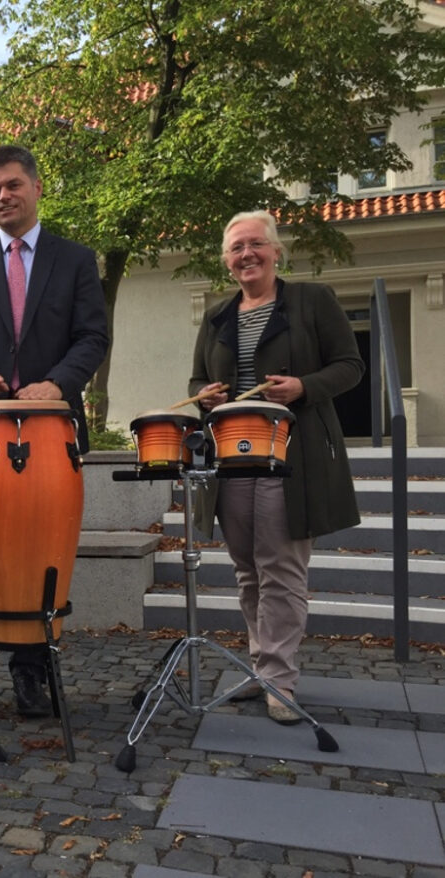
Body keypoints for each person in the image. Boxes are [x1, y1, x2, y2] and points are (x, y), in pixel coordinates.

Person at [0, 145, 110, 721]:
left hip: (50, 431)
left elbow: (92, 337)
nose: (1, 196)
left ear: (35, 187)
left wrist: (58, 383)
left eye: (11, 185)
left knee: (40, 554)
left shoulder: (76, 260)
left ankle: (32, 677)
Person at [190, 209, 363, 724]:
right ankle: (260, 667)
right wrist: (203, 394)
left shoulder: (312, 301)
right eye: (236, 248)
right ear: (227, 261)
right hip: (234, 456)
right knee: (247, 569)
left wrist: (305, 387)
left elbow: (350, 366)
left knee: (281, 569)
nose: (247, 254)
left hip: (293, 454)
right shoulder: (218, 315)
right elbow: (199, 376)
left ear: (276, 250)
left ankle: (279, 679)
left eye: (255, 245)